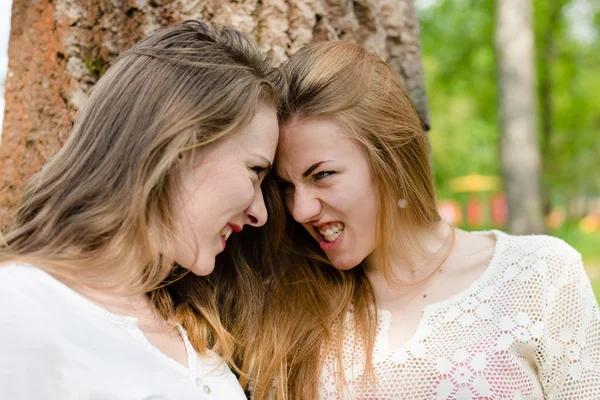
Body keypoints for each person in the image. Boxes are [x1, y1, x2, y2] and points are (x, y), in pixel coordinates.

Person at [244, 41, 600, 399]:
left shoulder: (540, 275)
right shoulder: (291, 308)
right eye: (286, 186)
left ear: (391, 159)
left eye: (321, 175)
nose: (300, 210)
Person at [0, 20, 281, 399]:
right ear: (182, 145)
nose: (259, 213)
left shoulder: (196, 332)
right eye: (255, 171)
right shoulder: (20, 306)